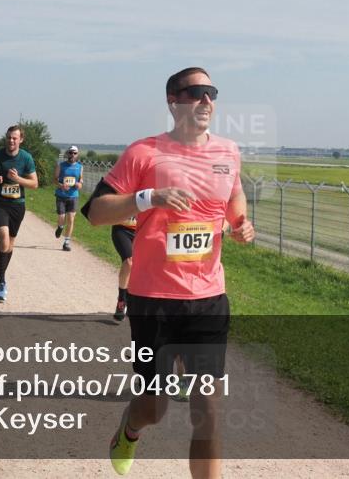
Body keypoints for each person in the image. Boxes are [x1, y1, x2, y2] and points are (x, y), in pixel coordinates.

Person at [82, 67, 255, 478]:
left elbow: (234, 197)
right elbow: (95, 213)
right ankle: (130, 427)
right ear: (173, 100)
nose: (206, 100)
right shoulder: (143, 153)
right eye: (196, 92)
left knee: (208, 410)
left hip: (208, 297)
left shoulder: (228, 152)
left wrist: (241, 223)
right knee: (155, 407)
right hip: (154, 299)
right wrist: (149, 198)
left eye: (212, 92)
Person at [0, 126, 38, 301]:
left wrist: (18, 179)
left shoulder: (26, 158)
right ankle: (1, 281)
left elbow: (34, 184)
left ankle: (0, 275)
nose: (11, 141)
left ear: (20, 139)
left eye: (14, 138)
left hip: (17, 205)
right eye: (9, 137)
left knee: (10, 245)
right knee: (3, 239)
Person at [54, 146, 84, 251]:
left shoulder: (80, 167)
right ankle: (60, 227)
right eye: (70, 153)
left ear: (77, 155)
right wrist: (61, 185)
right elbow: (55, 179)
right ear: (67, 153)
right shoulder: (61, 165)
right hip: (61, 195)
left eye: (75, 153)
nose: (72, 155)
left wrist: (79, 184)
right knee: (62, 217)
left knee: (71, 219)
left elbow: (81, 180)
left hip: (73, 196)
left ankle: (66, 243)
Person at [110, 216, 137, 321]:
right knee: (129, 262)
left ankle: (132, 300)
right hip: (121, 228)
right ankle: (122, 299)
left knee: (139, 267)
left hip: (142, 231)